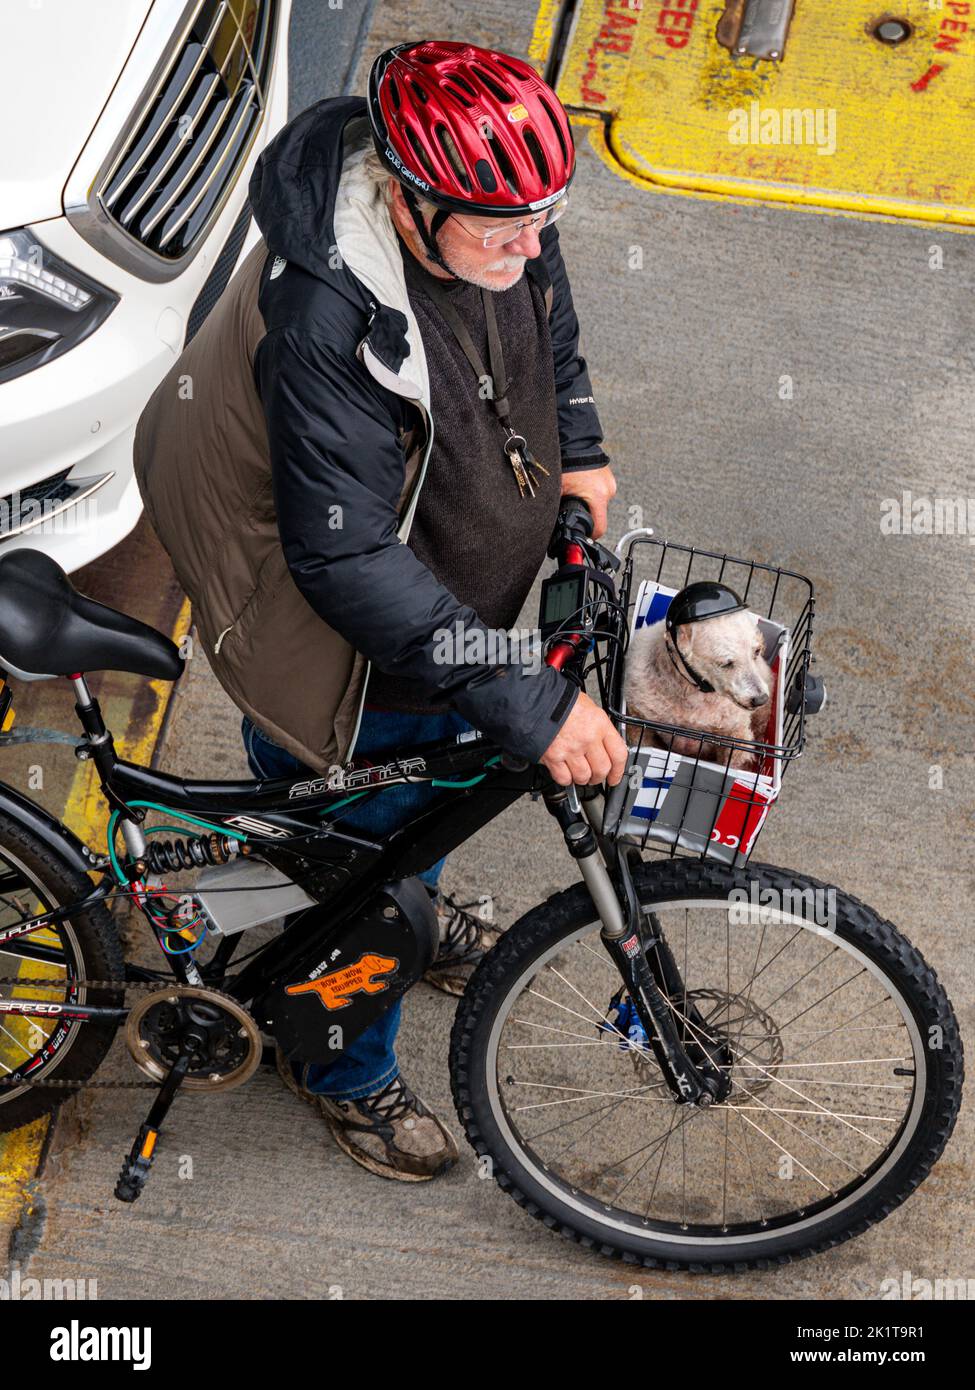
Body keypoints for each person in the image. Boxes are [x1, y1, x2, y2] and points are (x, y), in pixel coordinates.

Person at [134, 39, 627, 1182]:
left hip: (437, 617)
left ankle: (403, 891)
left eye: (542, 217)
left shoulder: (497, 223)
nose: (534, 244)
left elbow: (549, 332)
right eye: (503, 226)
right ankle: (339, 1062)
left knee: (418, 811)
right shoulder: (324, 319)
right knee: (353, 865)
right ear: (410, 202)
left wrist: (581, 452)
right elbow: (349, 564)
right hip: (338, 641)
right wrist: (528, 697)